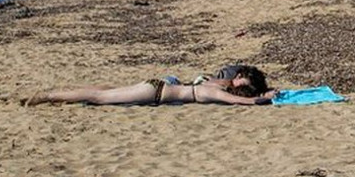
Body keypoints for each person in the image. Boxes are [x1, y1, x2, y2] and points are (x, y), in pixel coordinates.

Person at [23, 64, 277, 106]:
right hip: (156, 92)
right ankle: (48, 96)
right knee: (101, 97)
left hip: (162, 84)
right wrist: (264, 97)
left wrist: (263, 93)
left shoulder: (217, 82)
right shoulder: (219, 88)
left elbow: (240, 95)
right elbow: (240, 100)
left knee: (104, 91)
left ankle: (55, 95)